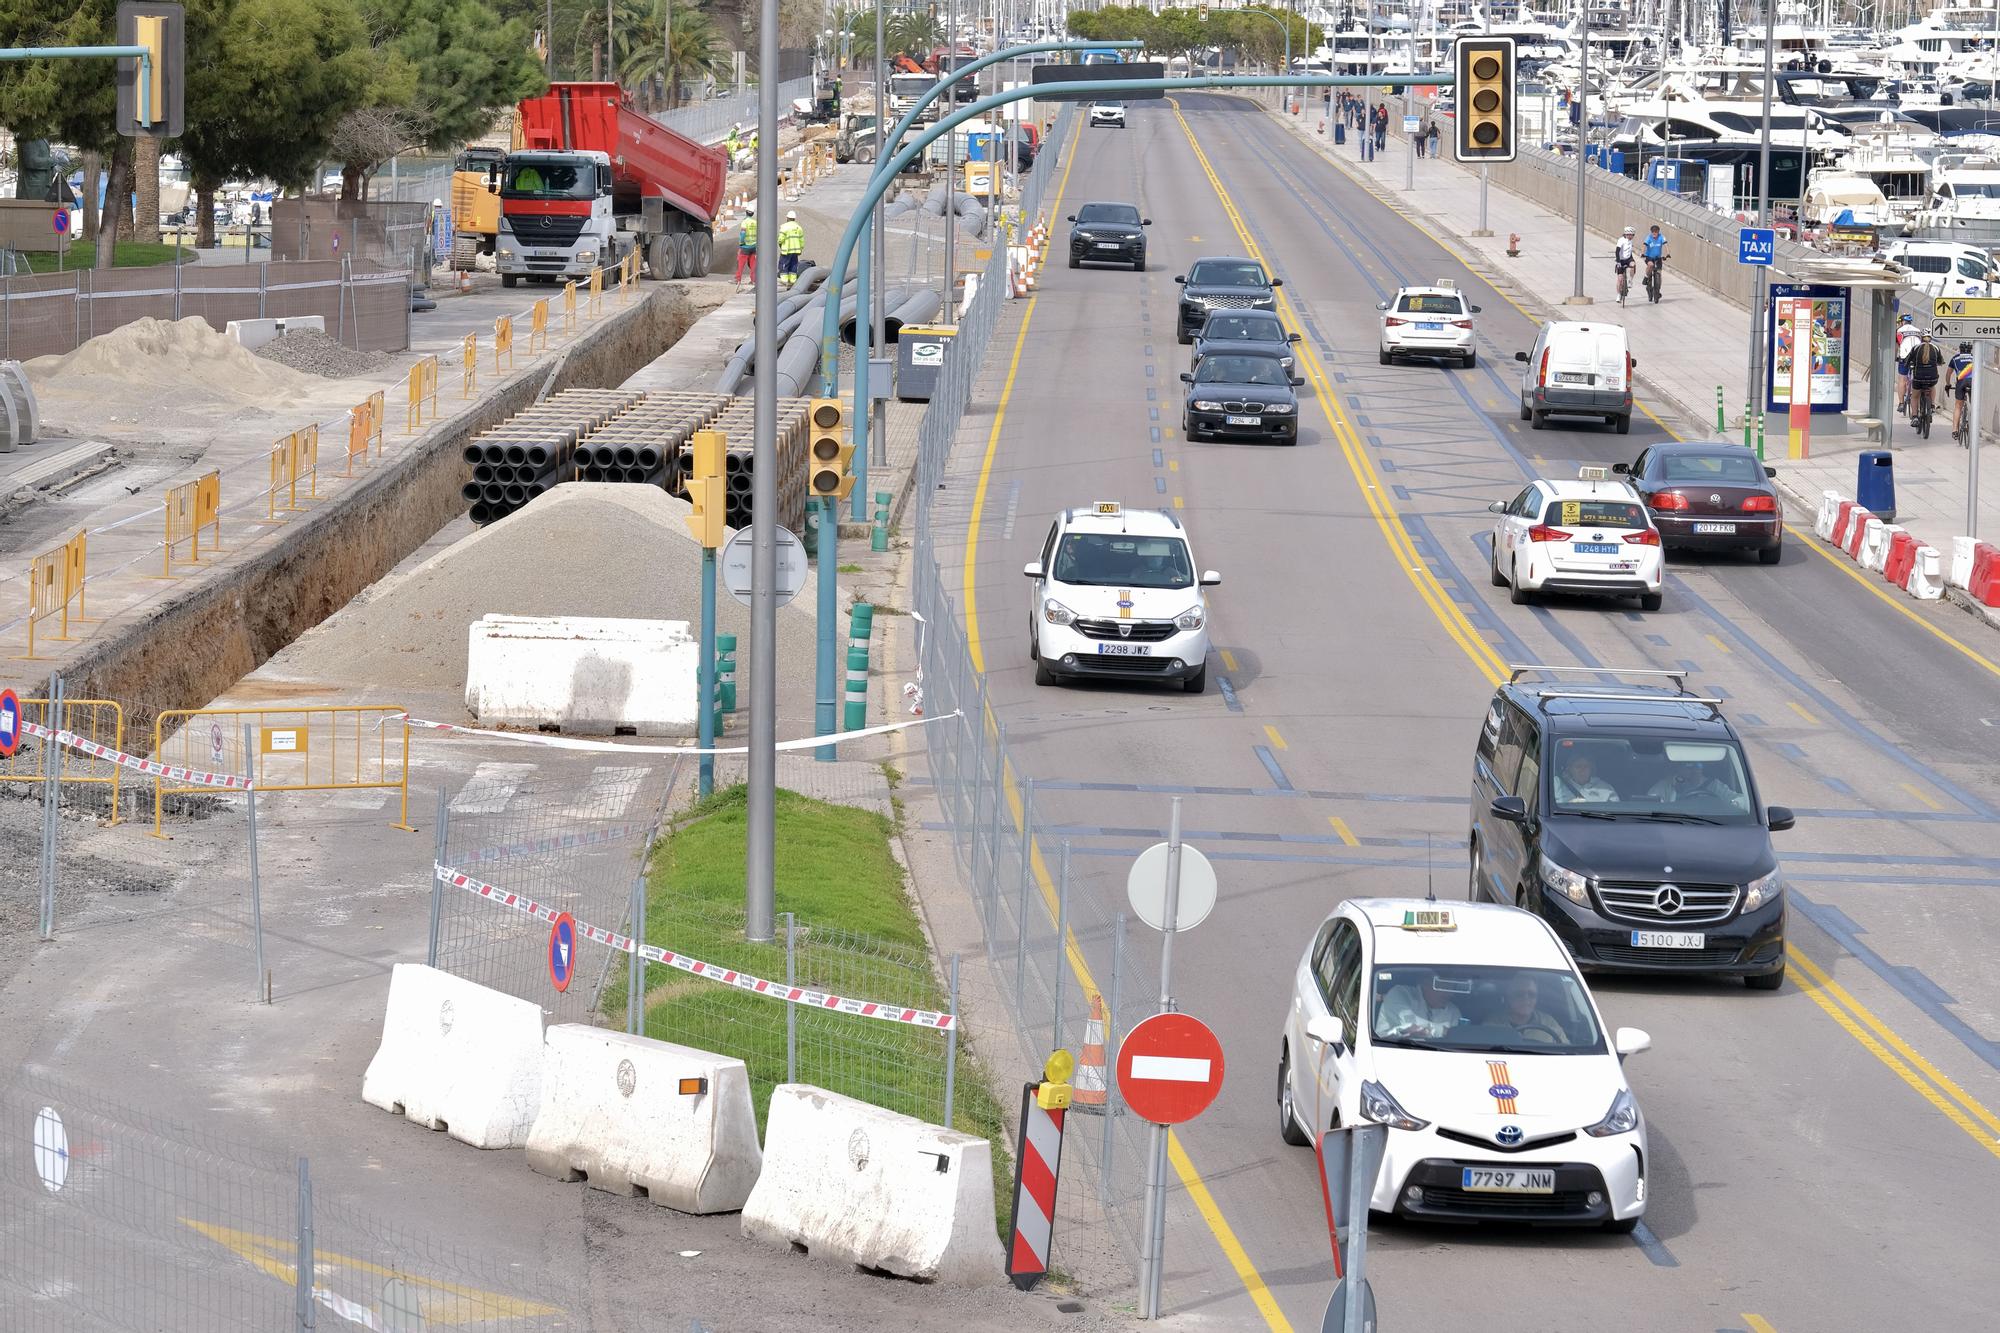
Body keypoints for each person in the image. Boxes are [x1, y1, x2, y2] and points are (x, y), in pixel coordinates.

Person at [1377, 973, 1464, 1039]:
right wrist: (1443, 1031)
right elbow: (1410, 1026)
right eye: (1444, 985)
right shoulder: (1399, 994)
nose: (1450, 993)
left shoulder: (1453, 1011)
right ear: (1424, 982)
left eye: (1452, 987)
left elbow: (1457, 1039)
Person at [1497, 975, 1569, 1045]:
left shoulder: (1549, 1023)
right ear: (1509, 996)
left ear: (1536, 998)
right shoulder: (1494, 1023)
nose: (1526, 998)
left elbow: (1566, 1051)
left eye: (1531, 994)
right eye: (1519, 994)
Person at [1645, 760, 1736, 805]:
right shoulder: (1665, 786)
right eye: (1689, 766)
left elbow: (1736, 799)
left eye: (1698, 766)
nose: (1694, 770)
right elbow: (1650, 805)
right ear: (1679, 768)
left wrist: (1735, 802)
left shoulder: (1715, 785)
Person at [1907, 329, 1947, 425]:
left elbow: (1908, 360)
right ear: (1931, 338)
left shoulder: (1916, 348)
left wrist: (1907, 363)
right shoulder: (1936, 348)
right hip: (1932, 377)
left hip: (1918, 377)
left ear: (1921, 338)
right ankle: (1932, 405)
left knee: (1915, 396)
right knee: (1932, 386)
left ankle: (1915, 417)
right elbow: (1940, 361)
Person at [1895, 314, 1921, 414]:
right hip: (1918, 358)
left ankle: (1901, 403)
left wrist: (1895, 357)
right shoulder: (1918, 330)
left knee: (1902, 379)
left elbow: (1897, 346)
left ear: (1902, 322)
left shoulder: (1899, 331)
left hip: (1905, 357)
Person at [1951, 340, 1976, 442]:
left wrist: (1948, 384)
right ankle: (1973, 424)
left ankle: (1955, 430)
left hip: (1961, 382)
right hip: (1973, 382)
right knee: (1974, 404)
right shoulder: (1975, 357)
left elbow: (1948, 374)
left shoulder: (1955, 358)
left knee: (1958, 406)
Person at [777, 209, 806, 288]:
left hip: (786, 251)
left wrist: (780, 244)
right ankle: (793, 281)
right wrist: (801, 248)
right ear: (794, 218)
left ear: (787, 218)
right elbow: (801, 240)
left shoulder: (784, 227)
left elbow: (780, 239)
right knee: (793, 265)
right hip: (796, 251)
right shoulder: (798, 228)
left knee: (784, 265)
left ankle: (784, 282)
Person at [1642, 223, 1668, 300]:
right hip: (1649, 257)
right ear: (1651, 232)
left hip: (1658, 258)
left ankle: (1657, 290)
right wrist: (1643, 253)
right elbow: (1644, 245)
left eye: (1656, 232)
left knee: (1659, 273)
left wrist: (1668, 254)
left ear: (1658, 232)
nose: (1654, 233)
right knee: (1650, 265)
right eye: (1653, 232)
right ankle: (1646, 278)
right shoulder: (1649, 237)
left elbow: (1666, 245)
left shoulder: (1661, 237)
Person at [1613, 225, 1636, 301]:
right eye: (1628, 235)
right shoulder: (1621, 240)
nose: (1630, 236)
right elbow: (1617, 251)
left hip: (1628, 258)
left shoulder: (1631, 240)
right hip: (1621, 260)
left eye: (1631, 235)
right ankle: (1618, 294)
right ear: (1625, 234)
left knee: (1633, 265)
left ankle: (1630, 281)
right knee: (1620, 279)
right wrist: (1618, 261)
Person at [734, 210, 757, 286]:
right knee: (753, 264)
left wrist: (741, 242)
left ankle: (737, 279)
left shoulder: (745, 222)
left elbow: (743, 233)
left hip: (745, 246)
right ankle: (753, 280)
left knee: (740, 263)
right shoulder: (755, 222)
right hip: (753, 246)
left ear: (746, 212)